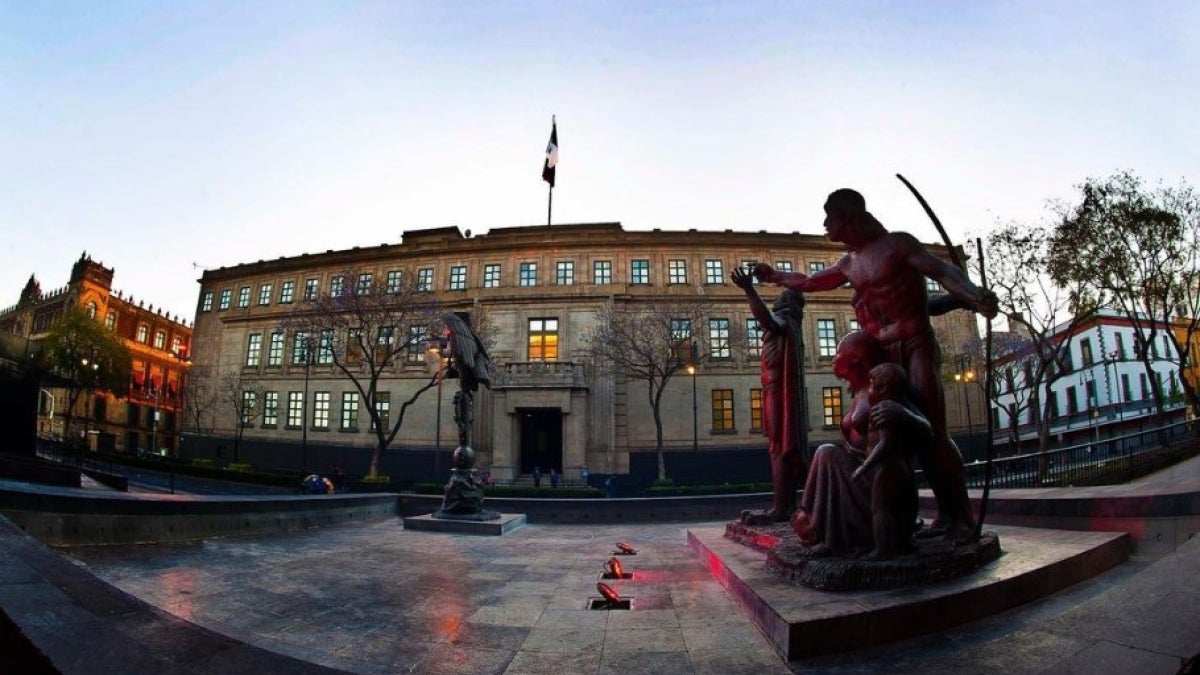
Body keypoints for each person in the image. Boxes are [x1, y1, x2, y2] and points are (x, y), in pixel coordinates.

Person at [756, 188, 998, 542]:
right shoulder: (848, 264)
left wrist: (974, 295)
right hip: (882, 354)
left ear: (849, 215)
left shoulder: (897, 245)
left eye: (830, 216)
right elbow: (808, 282)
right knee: (891, 435)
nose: (825, 224)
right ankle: (905, 521)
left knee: (930, 430)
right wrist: (775, 276)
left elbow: (943, 271)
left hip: (915, 344)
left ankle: (957, 515)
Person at [791, 331, 882, 555]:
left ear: (856, 360)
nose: (833, 358)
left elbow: (920, 427)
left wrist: (899, 413)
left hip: (872, 476)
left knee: (826, 452)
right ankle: (812, 518)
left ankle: (820, 527)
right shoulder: (860, 392)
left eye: (839, 353)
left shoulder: (881, 388)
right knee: (826, 453)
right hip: (856, 472)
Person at [732, 267, 807, 523]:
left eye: (782, 296)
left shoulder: (784, 321)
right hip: (773, 388)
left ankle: (782, 507)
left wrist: (749, 289)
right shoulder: (787, 326)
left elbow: (767, 320)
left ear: (789, 303)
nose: (777, 298)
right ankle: (784, 505)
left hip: (777, 390)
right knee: (777, 447)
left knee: (778, 447)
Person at [852, 363, 931, 560]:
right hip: (899, 468)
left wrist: (864, 467)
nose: (867, 389)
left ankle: (884, 549)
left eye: (870, 384)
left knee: (881, 509)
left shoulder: (885, 409)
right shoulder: (894, 405)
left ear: (882, 388)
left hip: (888, 468)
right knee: (901, 508)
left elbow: (885, 445)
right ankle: (904, 542)